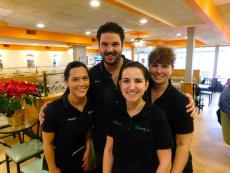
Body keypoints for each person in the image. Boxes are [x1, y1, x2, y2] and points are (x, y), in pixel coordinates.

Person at [39, 22, 196, 173]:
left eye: (115, 44)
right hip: (105, 147)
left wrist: (185, 98)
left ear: (122, 45)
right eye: (105, 44)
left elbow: (159, 82)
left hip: (141, 147)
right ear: (99, 46)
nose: (109, 49)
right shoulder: (91, 75)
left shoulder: (134, 70)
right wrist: (49, 107)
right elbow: (73, 94)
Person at [103, 62, 172, 173]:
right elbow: (109, 150)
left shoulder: (157, 115)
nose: (131, 87)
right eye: (126, 81)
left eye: (138, 81)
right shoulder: (114, 112)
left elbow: (166, 162)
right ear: (120, 84)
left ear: (146, 84)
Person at [146, 46, 194, 173]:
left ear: (172, 69)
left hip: (175, 163)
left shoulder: (181, 102)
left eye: (165, 66)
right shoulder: (141, 93)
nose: (159, 70)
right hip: (152, 161)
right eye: (155, 65)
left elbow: (183, 145)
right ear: (149, 67)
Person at [42, 61, 94, 173]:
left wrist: (88, 147)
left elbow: (89, 128)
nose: (82, 83)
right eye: (75, 79)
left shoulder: (92, 103)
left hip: (82, 159)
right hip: (62, 163)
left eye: (85, 78)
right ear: (66, 82)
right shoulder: (53, 110)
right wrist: (52, 169)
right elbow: (47, 143)